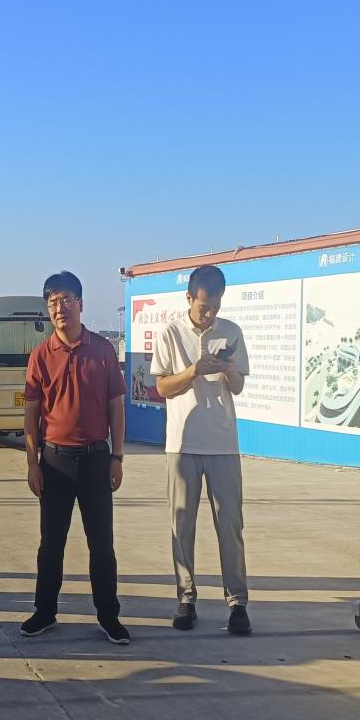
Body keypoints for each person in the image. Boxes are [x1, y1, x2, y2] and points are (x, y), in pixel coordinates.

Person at [20, 271, 130, 645]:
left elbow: (116, 407)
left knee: (102, 544)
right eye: (52, 302)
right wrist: (32, 463)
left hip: (97, 459)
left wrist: (117, 457)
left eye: (66, 300)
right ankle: (45, 611)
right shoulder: (40, 355)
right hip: (55, 462)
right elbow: (31, 414)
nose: (60, 308)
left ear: (80, 304)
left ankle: (108, 614)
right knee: (51, 544)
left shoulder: (102, 350)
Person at [150, 264, 252, 635]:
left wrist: (226, 368)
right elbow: (162, 387)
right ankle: (186, 598)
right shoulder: (171, 333)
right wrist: (193, 370)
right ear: (189, 298)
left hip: (223, 442)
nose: (209, 314)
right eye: (203, 306)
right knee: (182, 525)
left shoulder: (231, 332)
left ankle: (237, 603)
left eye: (216, 306)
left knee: (230, 525)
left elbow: (238, 386)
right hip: (182, 443)